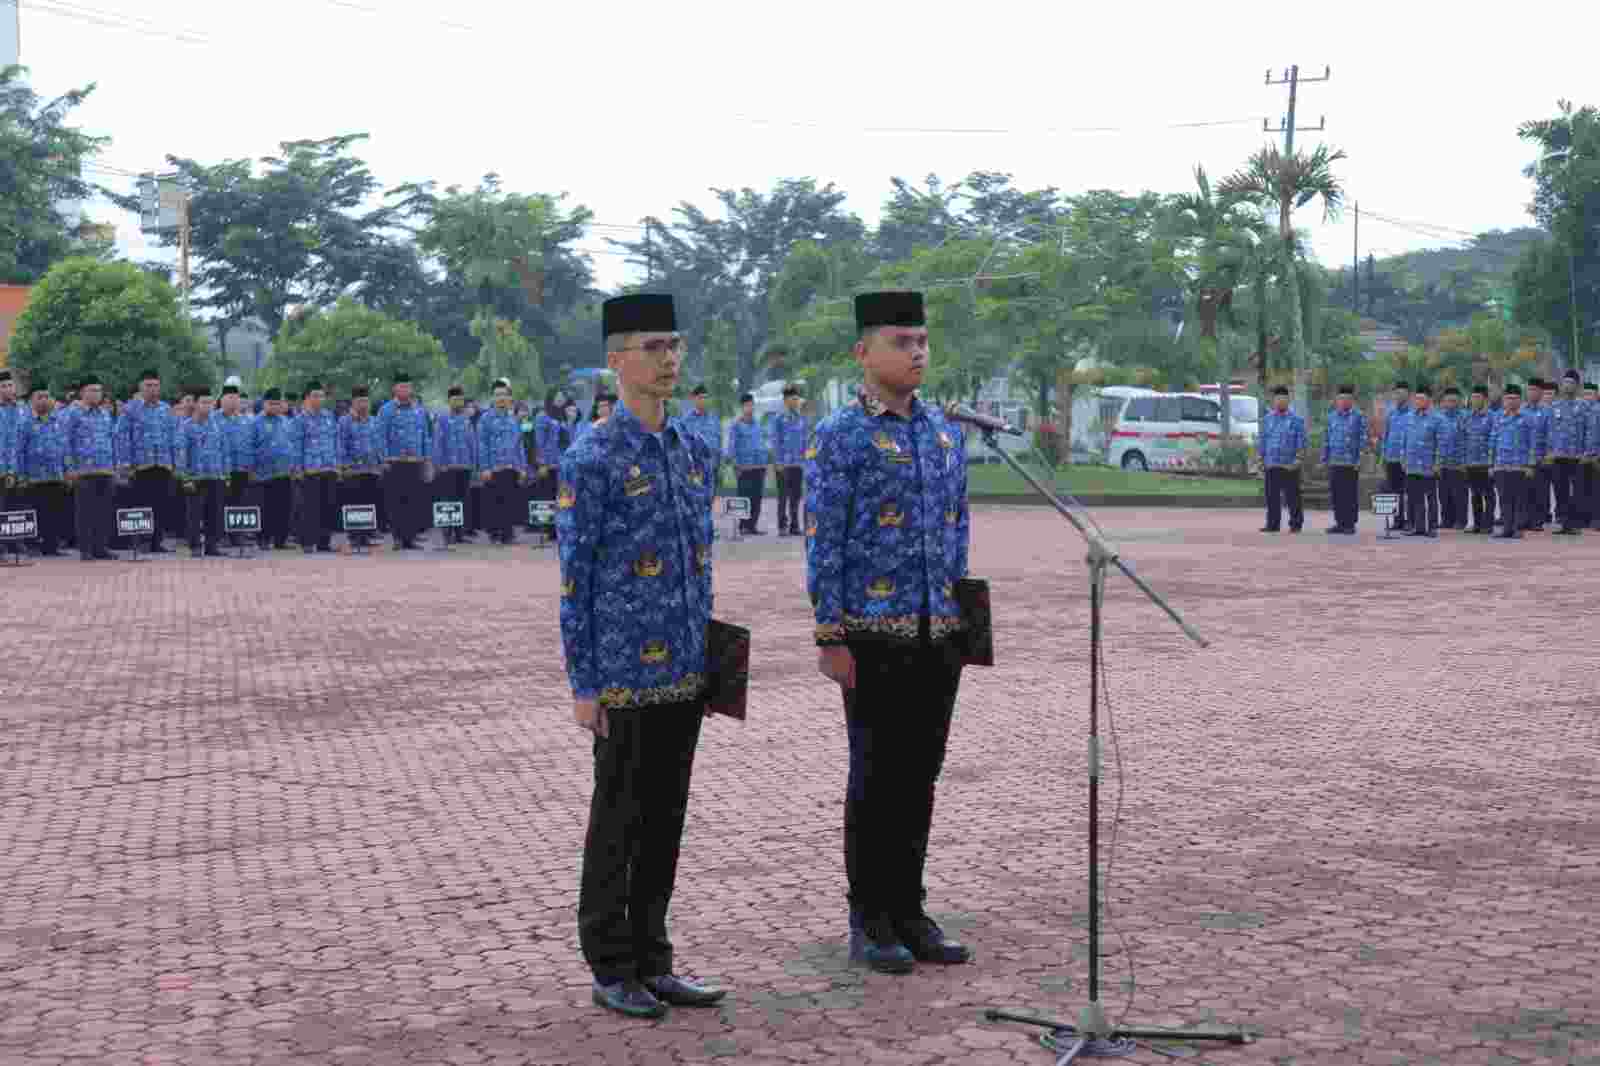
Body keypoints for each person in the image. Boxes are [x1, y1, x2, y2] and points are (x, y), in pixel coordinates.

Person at [559, 293, 724, 1020]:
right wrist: (584, 683)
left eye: (675, 345)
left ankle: (654, 957)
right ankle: (610, 962)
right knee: (619, 817)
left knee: (667, 818)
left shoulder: (692, 448)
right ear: (616, 360)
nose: (669, 359)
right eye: (653, 347)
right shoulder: (592, 454)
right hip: (623, 674)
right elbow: (576, 580)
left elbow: (701, 563)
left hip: (685, 669)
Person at [806, 289, 974, 976]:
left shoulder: (941, 431)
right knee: (874, 776)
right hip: (871, 635)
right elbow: (825, 538)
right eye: (901, 341)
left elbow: (958, 529)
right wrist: (829, 633)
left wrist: (964, 617)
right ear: (863, 352)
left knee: (920, 775)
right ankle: (869, 916)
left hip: (939, 631)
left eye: (922, 340)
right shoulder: (842, 434)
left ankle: (911, 909)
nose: (917, 352)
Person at [115, 369, 179, 552]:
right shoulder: (130, 409)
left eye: (156, 385)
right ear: (141, 387)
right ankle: (141, 541)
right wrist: (125, 462)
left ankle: (156, 541)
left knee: (161, 504)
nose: (152, 389)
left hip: (163, 463)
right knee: (142, 504)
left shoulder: (166, 409)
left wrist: (175, 462)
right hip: (140, 465)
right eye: (148, 385)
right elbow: (122, 436)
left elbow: (173, 435)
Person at [66, 376, 119, 561]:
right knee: (85, 511)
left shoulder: (105, 414)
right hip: (83, 470)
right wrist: (69, 468)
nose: (96, 394)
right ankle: (86, 549)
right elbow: (65, 442)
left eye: (99, 390)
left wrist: (115, 466)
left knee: (104, 511)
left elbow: (112, 440)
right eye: (92, 390)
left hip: (105, 468)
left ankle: (101, 547)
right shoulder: (72, 413)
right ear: (82, 392)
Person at [377, 372, 431, 550]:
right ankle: (398, 537)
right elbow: (380, 436)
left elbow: (425, 436)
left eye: (408, 386)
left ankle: (410, 538)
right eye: (401, 386)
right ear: (395, 389)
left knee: (414, 500)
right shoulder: (386, 410)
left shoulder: (419, 410)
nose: (405, 390)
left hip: (415, 461)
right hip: (394, 462)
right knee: (396, 501)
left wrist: (426, 459)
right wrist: (383, 458)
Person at [18, 381, 70, 556]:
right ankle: (33, 546)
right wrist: (21, 474)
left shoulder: (58, 420)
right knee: (36, 512)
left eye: (47, 397)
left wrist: (67, 470)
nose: (44, 400)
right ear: (31, 400)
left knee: (55, 511)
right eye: (40, 397)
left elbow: (65, 447)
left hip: (55, 475)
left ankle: (51, 546)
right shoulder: (25, 422)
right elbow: (19, 450)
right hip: (34, 477)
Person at [177, 386, 228, 557]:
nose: (208, 406)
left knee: (214, 513)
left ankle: (212, 545)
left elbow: (224, 451)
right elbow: (181, 454)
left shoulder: (217, 426)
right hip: (195, 477)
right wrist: (185, 478)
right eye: (204, 402)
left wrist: (226, 474)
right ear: (196, 404)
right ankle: (195, 546)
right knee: (194, 514)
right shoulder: (186, 426)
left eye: (210, 402)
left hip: (215, 475)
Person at [476, 380, 528, 545]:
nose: (501, 398)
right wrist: (485, 468)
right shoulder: (485, 419)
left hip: (511, 467)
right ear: (493, 397)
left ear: (509, 397)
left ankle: (508, 533)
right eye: (498, 395)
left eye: (504, 394)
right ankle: (495, 533)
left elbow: (519, 445)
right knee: (494, 502)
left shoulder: (514, 419)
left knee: (510, 501)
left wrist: (522, 468)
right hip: (493, 468)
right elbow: (481, 445)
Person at [295, 381, 340, 554]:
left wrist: (337, 464)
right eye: (315, 395)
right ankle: (307, 541)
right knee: (309, 507)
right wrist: (297, 468)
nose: (319, 399)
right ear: (307, 398)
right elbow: (296, 445)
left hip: (329, 467)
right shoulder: (300, 419)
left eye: (321, 396)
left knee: (328, 505)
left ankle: (324, 542)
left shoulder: (329, 417)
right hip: (310, 469)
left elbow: (335, 441)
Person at [338, 385, 384, 549]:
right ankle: (354, 536)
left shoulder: (373, 420)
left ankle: (366, 536)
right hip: (353, 470)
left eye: (366, 401)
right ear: (353, 402)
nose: (364, 404)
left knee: (370, 502)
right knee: (354, 503)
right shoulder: (344, 421)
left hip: (371, 469)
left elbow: (377, 444)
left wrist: (380, 462)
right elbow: (341, 445)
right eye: (360, 401)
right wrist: (344, 466)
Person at [432, 385, 478, 545]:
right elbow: (438, 442)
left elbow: (472, 441)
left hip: (464, 466)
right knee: (448, 500)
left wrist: (473, 462)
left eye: (460, 399)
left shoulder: (466, 419)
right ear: (449, 401)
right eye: (455, 399)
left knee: (462, 500)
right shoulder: (442, 418)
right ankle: (447, 533)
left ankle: (460, 534)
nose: (458, 402)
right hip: (448, 467)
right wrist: (439, 464)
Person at [1258, 385, 1306, 533]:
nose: (1280, 402)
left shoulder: (1296, 420)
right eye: (1277, 399)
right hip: (1271, 463)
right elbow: (1263, 440)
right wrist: (1261, 459)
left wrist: (1298, 459)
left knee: (1293, 496)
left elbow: (1302, 441)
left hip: (1289, 464)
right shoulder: (1267, 419)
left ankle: (1296, 523)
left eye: (1283, 399)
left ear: (1288, 400)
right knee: (1272, 496)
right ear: (1273, 400)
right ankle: (1272, 524)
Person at [255, 389, 298, 550]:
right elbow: (250, 446)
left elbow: (292, 445)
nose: (275, 406)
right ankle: (263, 539)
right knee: (266, 507)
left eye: (278, 403)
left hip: (285, 471)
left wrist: (294, 466)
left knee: (284, 506)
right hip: (263, 473)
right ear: (264, 404)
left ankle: (281, 539)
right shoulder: (256, 422)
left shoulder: (287, 421)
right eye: (271, 404)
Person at [1320, 384, 1365, 534]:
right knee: (1336, 494)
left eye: (1347, 399)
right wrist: (1324, 458)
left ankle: (1350, 524)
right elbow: (1326, 438)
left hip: (1351, 463)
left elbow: (1362, 439)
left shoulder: (1358, 416)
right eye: (1341, 399)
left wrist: (1360, 459)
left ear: (1352, 400)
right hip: (1335, 461)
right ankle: (1339, 522)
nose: (1344, 402)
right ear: (1337, 400)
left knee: (1350, 494)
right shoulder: (1331, 416)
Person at [1491, 384, 1533, 539]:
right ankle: (1506, 528)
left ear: (1520, 400)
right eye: (1508, 398)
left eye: (1514, 398)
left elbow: (1532, 443)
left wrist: (1530, 464)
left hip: (1520, 465)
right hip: (1501, 464)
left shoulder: (1527, 418)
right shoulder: (1498, 417)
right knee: (1504, 498)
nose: (1511, 401)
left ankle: (1517, 528)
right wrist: (1492, 464)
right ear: (1504, 400)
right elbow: (1492, 441)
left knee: (1519, 499)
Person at [216, 385, 259, 531]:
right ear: (221, 400)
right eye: (229, 398)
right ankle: (221, 534)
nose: (233, 401)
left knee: (239, 502)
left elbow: (251, 445)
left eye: (236, 398)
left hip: (241, 468)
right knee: (220, 502)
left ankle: (237, 535)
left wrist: (251, 467)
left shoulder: (246, 421)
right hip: (220, 469)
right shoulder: (213, 419)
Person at [1548, 369, 1585, 535]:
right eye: (1565, 382)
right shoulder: (1554, 406)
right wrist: (1549, 451)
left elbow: (1588, 431)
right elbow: (1549, 431)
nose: (1567, 386)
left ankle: (1574, 522)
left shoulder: (1583, 406)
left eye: (1570, 383)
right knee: (1560, 489)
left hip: (1577, 455)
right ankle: (1563, 522)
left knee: (1577, 490)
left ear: (1577, 386)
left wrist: (1587, 452)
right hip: (1558, 455)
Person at [1403, 384, 1441, 538]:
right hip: (1411, 464)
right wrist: (1403, 458)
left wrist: (1437, 462)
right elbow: (1405, 440)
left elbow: (1441, 443)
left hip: (1428, 464)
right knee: (1414, 496)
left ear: (1429, 400)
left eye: (1421, 398)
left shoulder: (1437, 419)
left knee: (1430, 497)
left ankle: (1432, 527)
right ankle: (1416, 526)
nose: (1418, 401)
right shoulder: (1410, 417)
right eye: (1416, 398)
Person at [770, 385, 809, 536]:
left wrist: (806, 461)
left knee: (796, 496)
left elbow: (804, 440)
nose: (796, 401)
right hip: (783, 464)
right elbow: (775, 441)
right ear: (786, 400)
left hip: (798, 463)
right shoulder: (778, 418)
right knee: (783, 496)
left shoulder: (801, 418)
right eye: (793, 399)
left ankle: (794, 525)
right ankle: (782, 526)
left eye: (797, 398)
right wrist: (777, 462)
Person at [728, 393, 768, 534]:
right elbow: (731, 446)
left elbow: (762, 442)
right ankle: (742, 526)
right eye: (747, 405)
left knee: (757, 497)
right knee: (745, 496)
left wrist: (765, 462)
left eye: (752, 405)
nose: (750, 408)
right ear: (742, 407)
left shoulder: (758, 423)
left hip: (759, 466)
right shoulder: (736, 425)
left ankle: (752, 526)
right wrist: (735, 465)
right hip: (744, 467)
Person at [1379, 381, 1413, 531]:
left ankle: (1410, 521)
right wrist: (1383, 455)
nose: (1399, 396)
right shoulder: (1391, 413)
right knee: (1395, 491)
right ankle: (1397, 521)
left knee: (1409, 491)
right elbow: (1385, 435)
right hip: (1391, 457)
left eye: (1402, 393)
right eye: (1397, 393)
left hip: (1407, 459)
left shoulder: (1413, 413)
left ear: (1408, 395)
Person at [1463, 385, 1497, 534]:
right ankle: (1477, 523)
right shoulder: (1467, 417)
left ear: (1485, 399)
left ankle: (1488, 524)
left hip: (1486, 462)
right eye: (1473, 397)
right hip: (1470, 461)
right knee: (1475, 494)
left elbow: (1494, 440)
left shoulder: (1492, 417)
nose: (1475, 400)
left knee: (1488, 493)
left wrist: (1492, 462)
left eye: (1478, 397)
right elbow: (1463, 438)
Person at [1435, 387, 1469, 530]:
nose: (1451, 403)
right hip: (1443, 462)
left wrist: (1466, 461)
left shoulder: (1465, 417)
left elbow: (1469, 439)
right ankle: (1446, 520)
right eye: (1448, 401)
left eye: (1454, 401)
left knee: (1459, 494)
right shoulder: (1438, 418)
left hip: (1459, 463)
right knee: (1444, 494)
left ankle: (1460, 521)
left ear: (1459, 402)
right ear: (1443, 402)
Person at [679, 385, 723, 493]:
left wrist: (719, 464)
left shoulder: (714, 419)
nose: (703, 400)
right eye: (700, 397)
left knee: (710, 500)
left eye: (705, 397)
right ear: (693, 399)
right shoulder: (685, 421)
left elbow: (718, 442)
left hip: (712, 468)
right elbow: (682, 446)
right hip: (695, 471)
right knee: (696, 500)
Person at [1523, 379, 1552, 531]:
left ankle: (1537, 521)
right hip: (1523, 458)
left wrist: (1548, 455)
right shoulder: (1521, 410)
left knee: (1540, 491)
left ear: (1541, 392)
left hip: (1541, 457)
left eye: (1535, 390)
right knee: (1524, 491)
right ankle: (1525, 519)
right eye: (1529, 389)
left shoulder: (1548, 411)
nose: (1531, 393)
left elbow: (1551, 435)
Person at [0, 370, 22, 513]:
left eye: (10, 385)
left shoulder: (23, 409)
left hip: (19, 471)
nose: (8, 389)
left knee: (18, 515)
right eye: (3, 386)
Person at [1581, 382, 1600, 530]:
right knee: (1584, 489)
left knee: (1597, 489)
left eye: (1590, 394)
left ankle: (1597, 519)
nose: (1588, 397)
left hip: (1597, 457)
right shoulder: (1579, 412)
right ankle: (1585, 518)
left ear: (1596, 395)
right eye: (1585, 394)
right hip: (1582, 457)